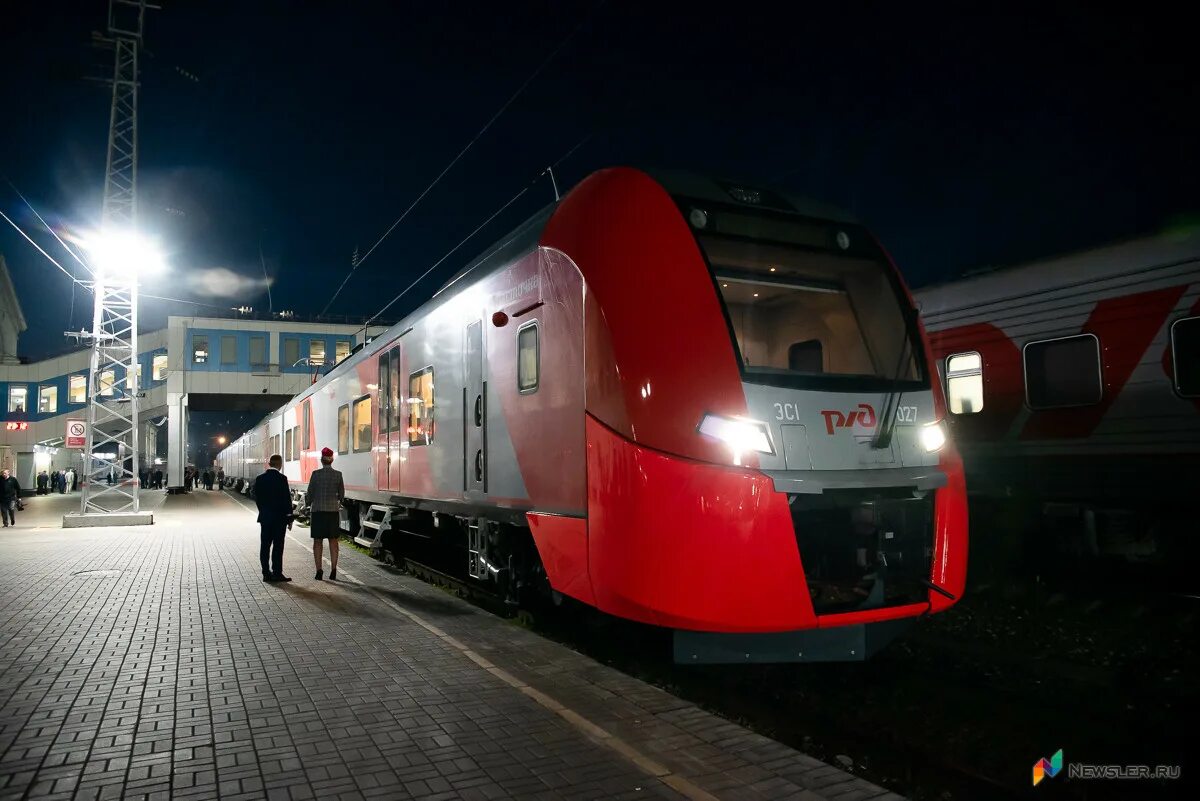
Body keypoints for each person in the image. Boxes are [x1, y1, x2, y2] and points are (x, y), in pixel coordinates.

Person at [305, 447, 344, 580]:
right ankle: (333, 570)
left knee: (318, 542)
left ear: (321, 460)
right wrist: (336, 501)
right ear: (332, 460)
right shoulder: (338, 475)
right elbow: (342, 495)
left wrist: (307, 504)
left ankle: (319, 571)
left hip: (318, 512)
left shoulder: (315, 474)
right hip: (332, 512)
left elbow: (310, 493)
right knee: (333, 541)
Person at [254, 455, 293, 582]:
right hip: (279, 519)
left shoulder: (260, 479)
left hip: (265, 518)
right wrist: (289, 518)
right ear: (280, 464)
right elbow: (287, 500)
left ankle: (266, 573)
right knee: (278, 546)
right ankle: (277, 573)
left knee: (265, 546)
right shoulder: (282, 479)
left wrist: (263, 511)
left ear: (269, 464)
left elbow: (256, 497)